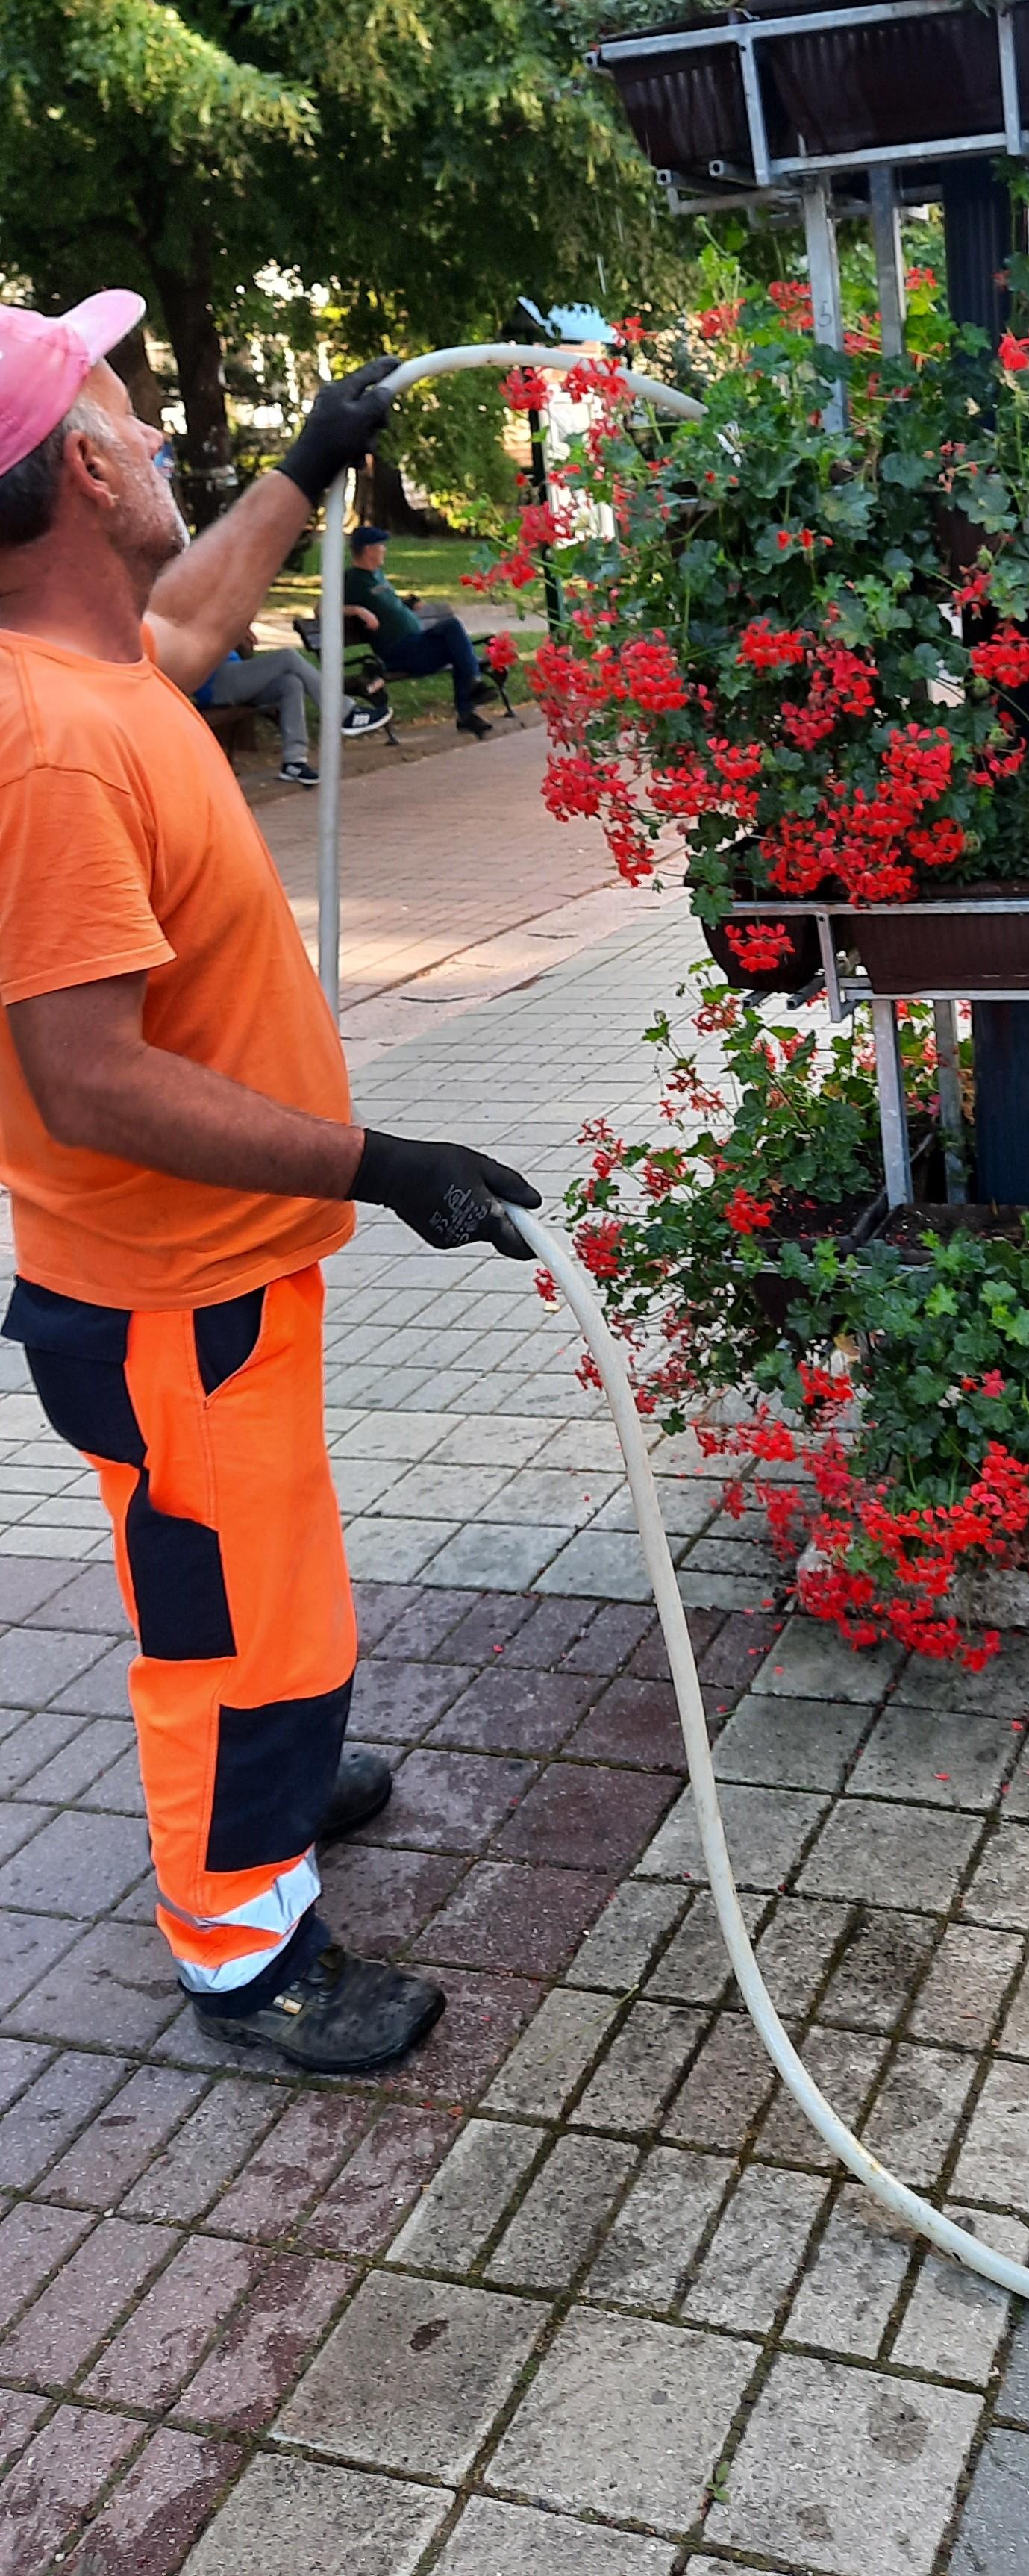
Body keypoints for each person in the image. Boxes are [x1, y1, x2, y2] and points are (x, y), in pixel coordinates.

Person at [0, 293, 543, 2073]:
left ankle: (284, 1779)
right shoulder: (51, 744)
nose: (159, 434)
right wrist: (384, 1163)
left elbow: (189, 607)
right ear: (82, 464)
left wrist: (313, 464)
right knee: (235, 1629)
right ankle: (245, 1948)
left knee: (261, 1589)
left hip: (203, 1284)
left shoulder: (94, 664)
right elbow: (85, 1083)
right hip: (171, 1301)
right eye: (131, 413)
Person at [344, 526, 496, 740]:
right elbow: (322, 609)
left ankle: (467, 714)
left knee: (458, 650)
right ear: (368, 550)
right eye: (381, 546)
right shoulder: (352, 580)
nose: (385, 550)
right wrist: (358, 610)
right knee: (451, 628)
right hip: (397, 653)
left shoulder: (377, 575)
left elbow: (387, 605)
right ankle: (472, 689)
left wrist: (407, 604)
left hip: (414, 646)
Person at [197, 635, 390, 784]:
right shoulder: (194, 612)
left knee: (291, 684)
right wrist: (237, 629)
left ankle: (294, 761)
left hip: (236, 675)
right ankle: (344, 713)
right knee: (287, 657)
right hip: (217, 683)